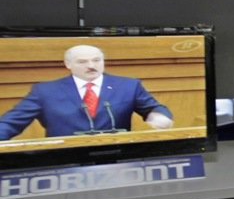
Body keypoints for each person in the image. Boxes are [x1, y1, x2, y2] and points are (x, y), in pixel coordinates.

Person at [0, 44, 174, 140]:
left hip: (117, 156)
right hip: (64, 160)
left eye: (96, 60)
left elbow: (154, 108)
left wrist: (159, 116)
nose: (91, 66)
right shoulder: (45, 91)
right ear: (68, 65)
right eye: (83, 61)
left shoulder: (128, 86)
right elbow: (11, 123)